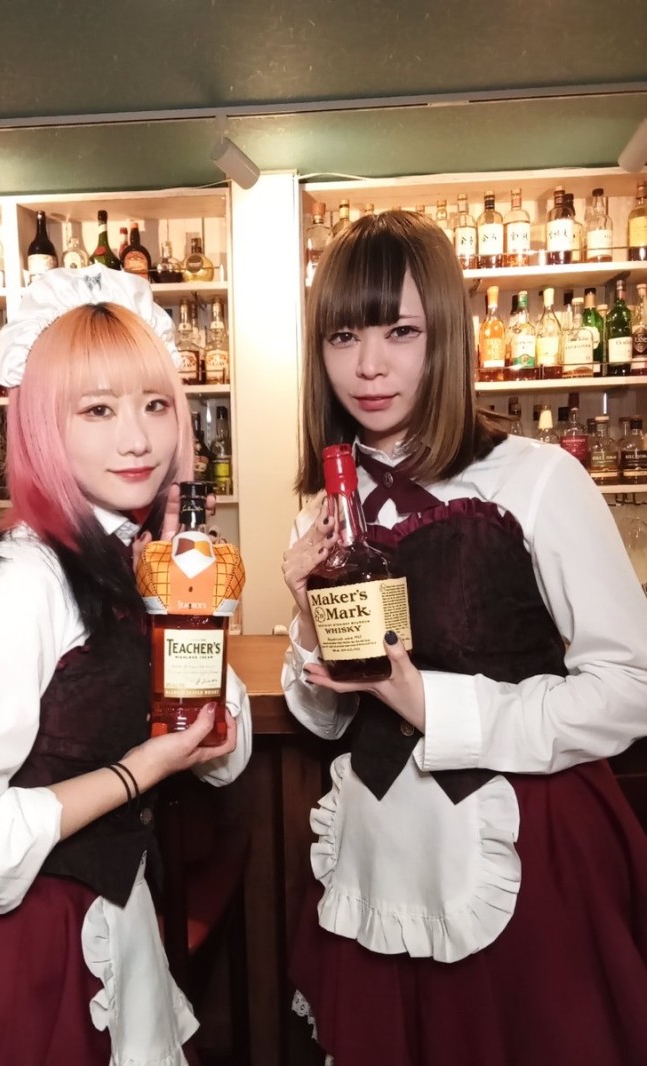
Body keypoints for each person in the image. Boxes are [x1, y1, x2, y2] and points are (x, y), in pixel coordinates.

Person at [0, 266, 252, 1066]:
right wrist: (136, 773)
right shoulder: (17, 583)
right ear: (41, 424)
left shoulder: (133, 556)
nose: (137, 439)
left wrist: (186, 603)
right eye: (97, 409)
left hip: (107, 926)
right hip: (11, 966)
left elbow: (222, 750)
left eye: (155, 404)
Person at [281, 210, 647, 1066]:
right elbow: (328, 719)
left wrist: (430, 704)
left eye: (400, 332)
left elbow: (631, 687)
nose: (369, 366)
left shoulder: (540, 478)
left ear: (445, 333)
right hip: (381, 851)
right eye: (343, 336)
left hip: (524, 847)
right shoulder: (326, 508)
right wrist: (305, 614)